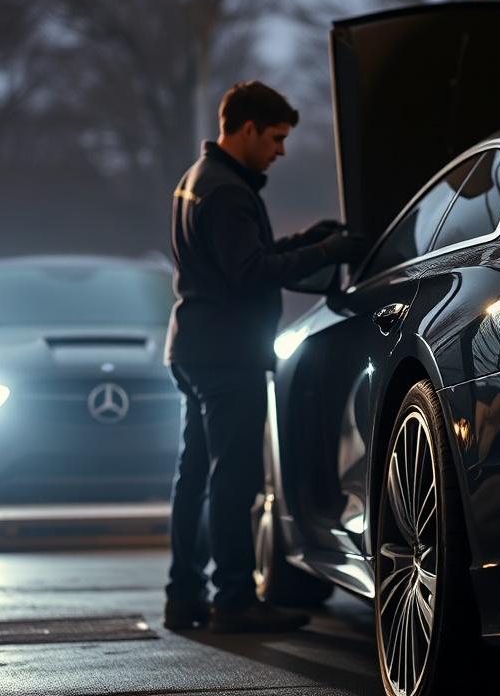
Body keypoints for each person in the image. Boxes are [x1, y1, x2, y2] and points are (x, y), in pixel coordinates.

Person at [162, 80, 365, 633]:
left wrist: (307, 240)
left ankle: (183, 596)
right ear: (246, 129)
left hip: (195, 346)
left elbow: (243, 255)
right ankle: (232, 600)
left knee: (194, 474)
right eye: (275, 138)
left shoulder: (197, 181)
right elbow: (248, 273)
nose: (280, 150)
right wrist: (326, 253)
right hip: (228, 356)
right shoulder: (227, 190)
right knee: (234, 479)